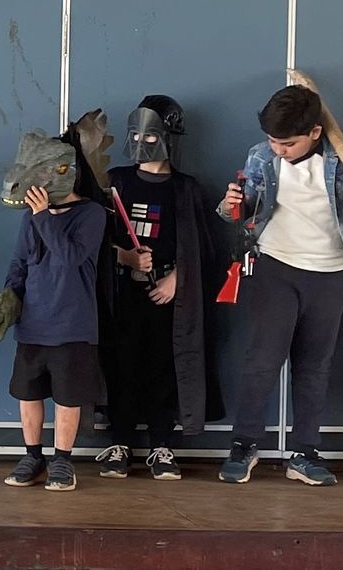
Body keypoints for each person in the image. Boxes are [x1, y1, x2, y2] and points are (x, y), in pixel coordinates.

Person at [217, 85, 343, 487]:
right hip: (276, 265)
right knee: (262, 360)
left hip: (335, 270)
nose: (278, 149)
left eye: (288, 143)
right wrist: (230, 205)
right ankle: (244, 445)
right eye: (273, 140)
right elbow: (240, 212)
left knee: (315, 365)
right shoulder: (261, 156)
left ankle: (305, 453)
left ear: (314, 132)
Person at [95, 96, 224, 481]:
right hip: (123, 296)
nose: (141, 143)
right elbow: (93, 239)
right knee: (120, 366)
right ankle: (119, 442)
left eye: (150, 136)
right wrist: (125, 258)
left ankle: (161, 444)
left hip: (169, 298)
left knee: (164, 368)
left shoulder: (185, 189)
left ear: (169, 136)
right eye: (135, 135)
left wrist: (176, 279)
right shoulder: (115, 182)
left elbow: (203, 248)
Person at [1, 128, 109, 493]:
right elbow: (19, 262)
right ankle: (33, 456)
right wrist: (9, 298)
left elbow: (70, 257)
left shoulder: (92, 214)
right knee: (28, 394)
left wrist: (44, 215)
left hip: (72, 325)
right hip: (33, 323)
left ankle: (62, 460)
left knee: (68, 396)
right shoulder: (31, 217)